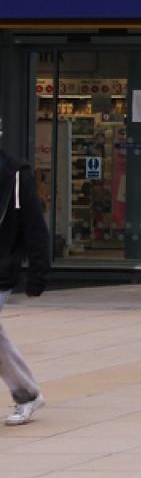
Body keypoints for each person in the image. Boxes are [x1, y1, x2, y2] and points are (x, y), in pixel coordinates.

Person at [1, 140, 50, 427]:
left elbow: (35, 228)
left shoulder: (15, 175)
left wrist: (38, 276)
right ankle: (26, 393)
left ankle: (26, 394)